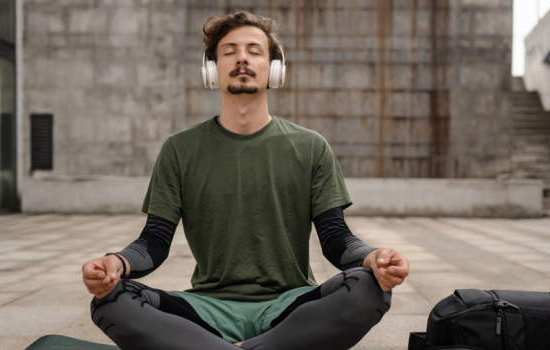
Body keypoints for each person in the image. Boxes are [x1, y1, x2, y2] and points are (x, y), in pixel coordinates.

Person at [81, 11, 409, 350]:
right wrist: (117, 263)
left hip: (292, 305)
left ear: (275, 68)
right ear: (211, 69)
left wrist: (373, 257)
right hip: (206, 308)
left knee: (368, 287)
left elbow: (336, 238)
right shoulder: (179, 149)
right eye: (229, 51)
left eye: (254, 50)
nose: (242, 58)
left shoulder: (310, 146)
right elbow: (154, 241)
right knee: (111, 299)